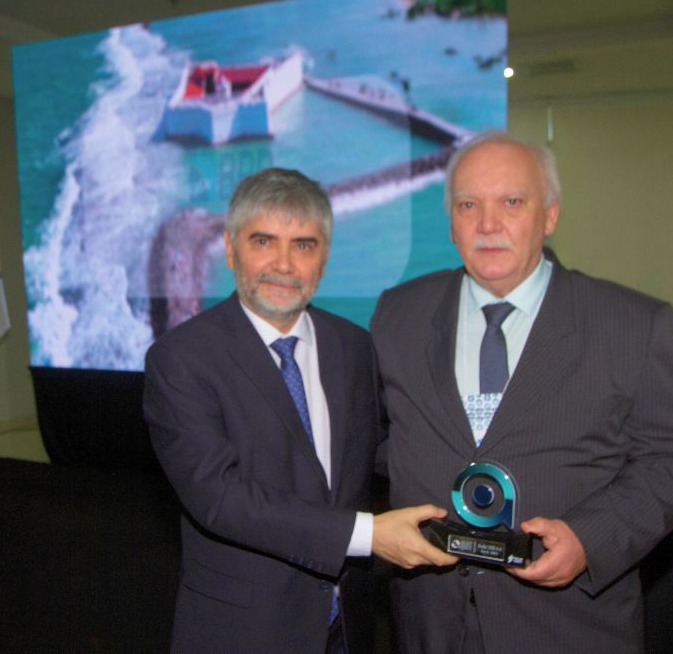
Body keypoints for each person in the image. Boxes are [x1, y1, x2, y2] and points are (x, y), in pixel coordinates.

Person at [370, 132, 673, 653]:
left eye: (512, 202)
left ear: (549, 215)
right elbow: (376, 441)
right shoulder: (399, 315)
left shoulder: (630, 323)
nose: (488, 224)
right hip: (430, 624)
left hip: (568, 627)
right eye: (468, 205)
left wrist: (589, 539)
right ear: (451, 221)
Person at [144, 168, 455, 653]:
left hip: (348, 628)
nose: (284, 264)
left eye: (304, 245)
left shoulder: (354, 346)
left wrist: (484, 478)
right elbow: (219, 498)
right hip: (244, 634)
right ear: (229, 249)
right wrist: (369, 534)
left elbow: (384, 451)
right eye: (263, 241)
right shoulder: (181, 358)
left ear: (324, 259)